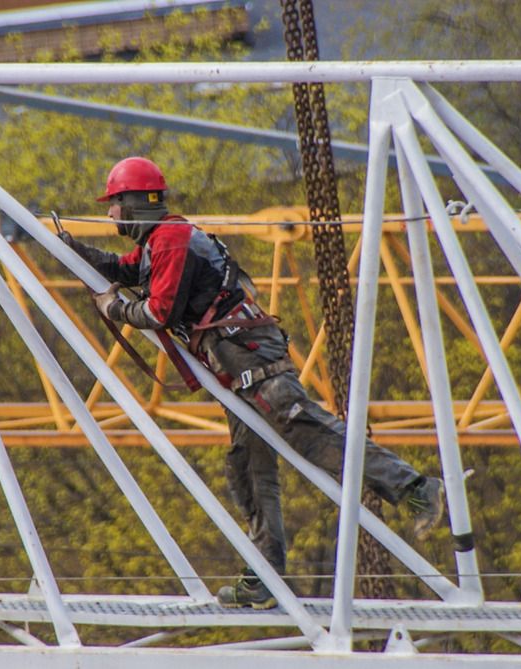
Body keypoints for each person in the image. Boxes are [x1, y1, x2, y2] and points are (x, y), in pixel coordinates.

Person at [59, 156, 444, 610]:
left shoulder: (171, 240)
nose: (109, 216)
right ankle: (263, 577)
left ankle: (417, 489)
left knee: (313, 435)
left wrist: (115, 309)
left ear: (135, 203)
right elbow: (122, 270)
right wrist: (70, 251)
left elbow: (158, 313)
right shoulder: (157, 245)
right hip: (234, 366)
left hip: (250, 360)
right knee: (248, 469)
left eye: (114, 205)